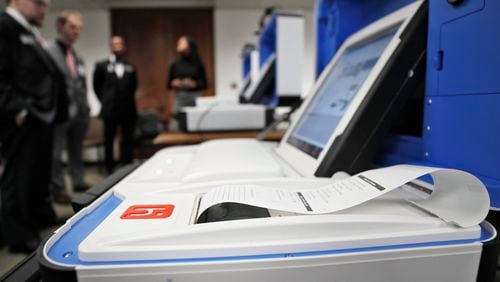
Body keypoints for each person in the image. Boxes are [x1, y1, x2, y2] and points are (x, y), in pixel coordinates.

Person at [0, 0, 68, 253]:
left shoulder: (29, 31)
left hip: (40, 115)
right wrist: (17, 109)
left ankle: (40, 216)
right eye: (39, 3)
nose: (44, 9)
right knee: (18, 176)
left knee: (39, 172)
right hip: (21, 116)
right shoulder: (5, 27)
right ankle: (18, 236)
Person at [46, 10, 90, 204]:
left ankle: (78, 181)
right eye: (72, 27)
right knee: (56, 153)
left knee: (76, 150)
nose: (76, 32)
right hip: (59, 112)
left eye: (79, 29)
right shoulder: (49, 51)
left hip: (80, 112)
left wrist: (86, 107)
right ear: (60, 26)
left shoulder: (76, 55)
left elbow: (81, 83)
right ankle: (58, 189)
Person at [93, 36, 138, 174]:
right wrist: (106, 101)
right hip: (110, 109)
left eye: (120, 44)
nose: (118, 46)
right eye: (115, 44)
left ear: (124, 47)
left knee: (128, 139)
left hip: (128, 109)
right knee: (109, 139)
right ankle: (109, 169)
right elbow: (96, 86)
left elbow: (134, 87)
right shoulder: (101, 66)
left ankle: (127, 167)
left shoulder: (131, 67)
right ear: (110, 46)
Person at [167, 36, 207, 115]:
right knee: (177, 121)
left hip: (195, 97)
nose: (179, 44)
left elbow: (204, 84)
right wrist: (174, 83)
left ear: (189, 45)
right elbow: (168, 84)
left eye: (182, 42)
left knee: (195, 119)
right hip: (180, 97)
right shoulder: (175, 64)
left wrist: (194, 84)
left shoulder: (198, 63)